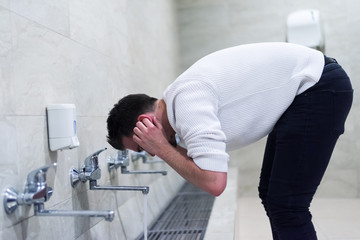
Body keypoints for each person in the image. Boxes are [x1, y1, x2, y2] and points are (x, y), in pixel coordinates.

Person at [107, 42, 353, 240]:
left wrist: (161, 148)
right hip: (307, 90)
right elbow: (200, 167)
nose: (149, 154)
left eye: (141, 145)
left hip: (318, 86)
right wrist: (165, 147)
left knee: (287, 205)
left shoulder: (186, 103)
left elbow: (215, 182)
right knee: (272, 196)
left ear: (145, 122)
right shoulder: (179, 106)